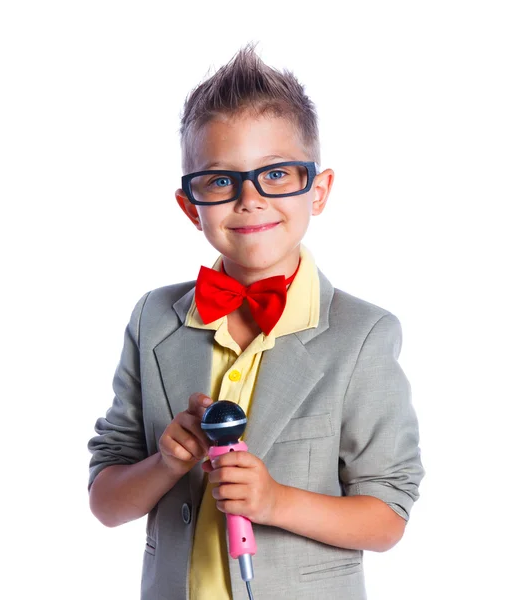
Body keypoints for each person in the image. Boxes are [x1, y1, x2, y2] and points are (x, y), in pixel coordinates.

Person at [88, 45, 424, 600]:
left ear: (317, 190)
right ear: (190, 205)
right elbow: (105, 502)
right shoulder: (153, 320)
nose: (249, 200)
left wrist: (275, 502)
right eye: (220, 181)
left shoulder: (363, 335)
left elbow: (388, 516)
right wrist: (167, 463)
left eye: (276, 174)